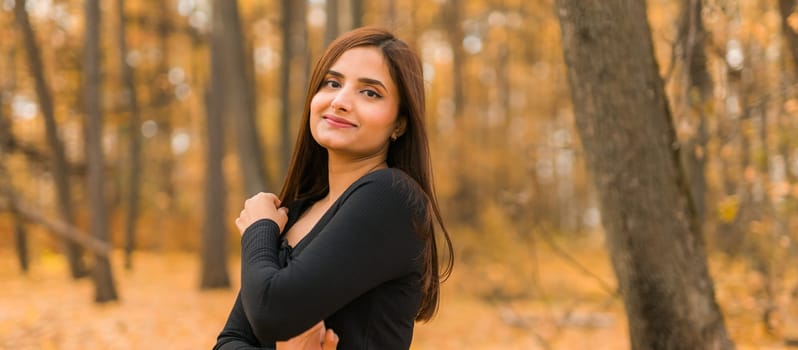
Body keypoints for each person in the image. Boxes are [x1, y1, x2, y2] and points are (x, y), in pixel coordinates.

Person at [213, 27, 453, 350]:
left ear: (399, 123)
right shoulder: (297, 209)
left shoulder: (391, 196)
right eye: (333, 83)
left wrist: (259, 229)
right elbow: (229, 341)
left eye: (370, 93)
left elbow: (272, 312)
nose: (340, 101)